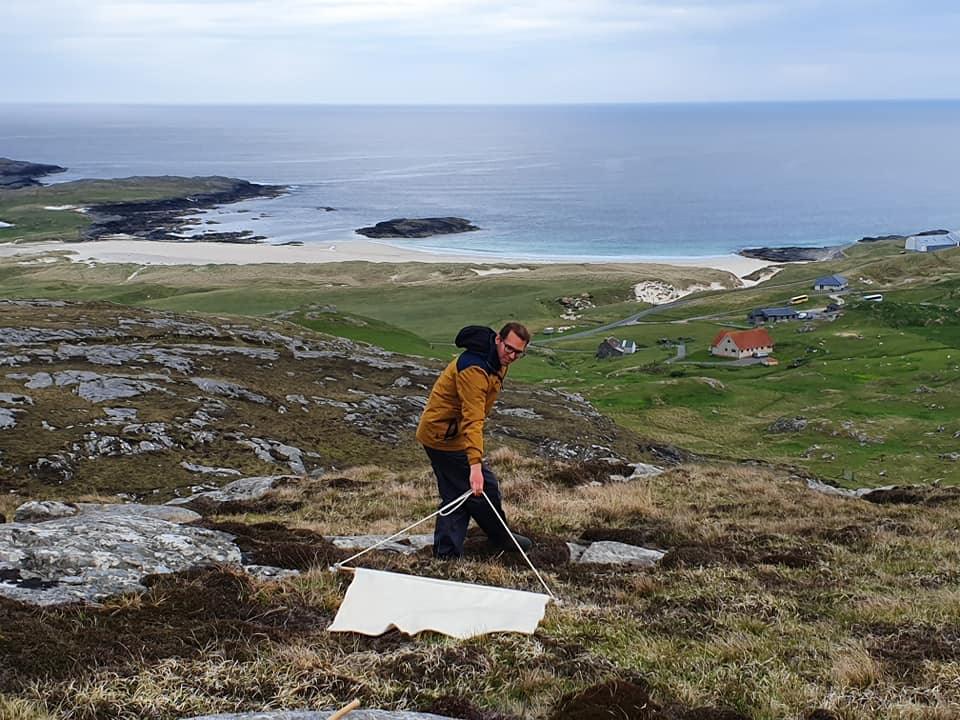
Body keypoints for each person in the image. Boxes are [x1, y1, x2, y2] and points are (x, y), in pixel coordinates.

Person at [416, 322, 533, 560]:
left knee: (461, 492)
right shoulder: (474, 369)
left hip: (451, 433)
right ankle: (494, 540)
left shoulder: (496, 360)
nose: (511, 356)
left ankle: (452, 552)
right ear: (498, 340)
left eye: (518, 353)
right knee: (476, 489)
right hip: (442, 437)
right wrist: (475, 465)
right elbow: (473, 418)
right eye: (508, 349)